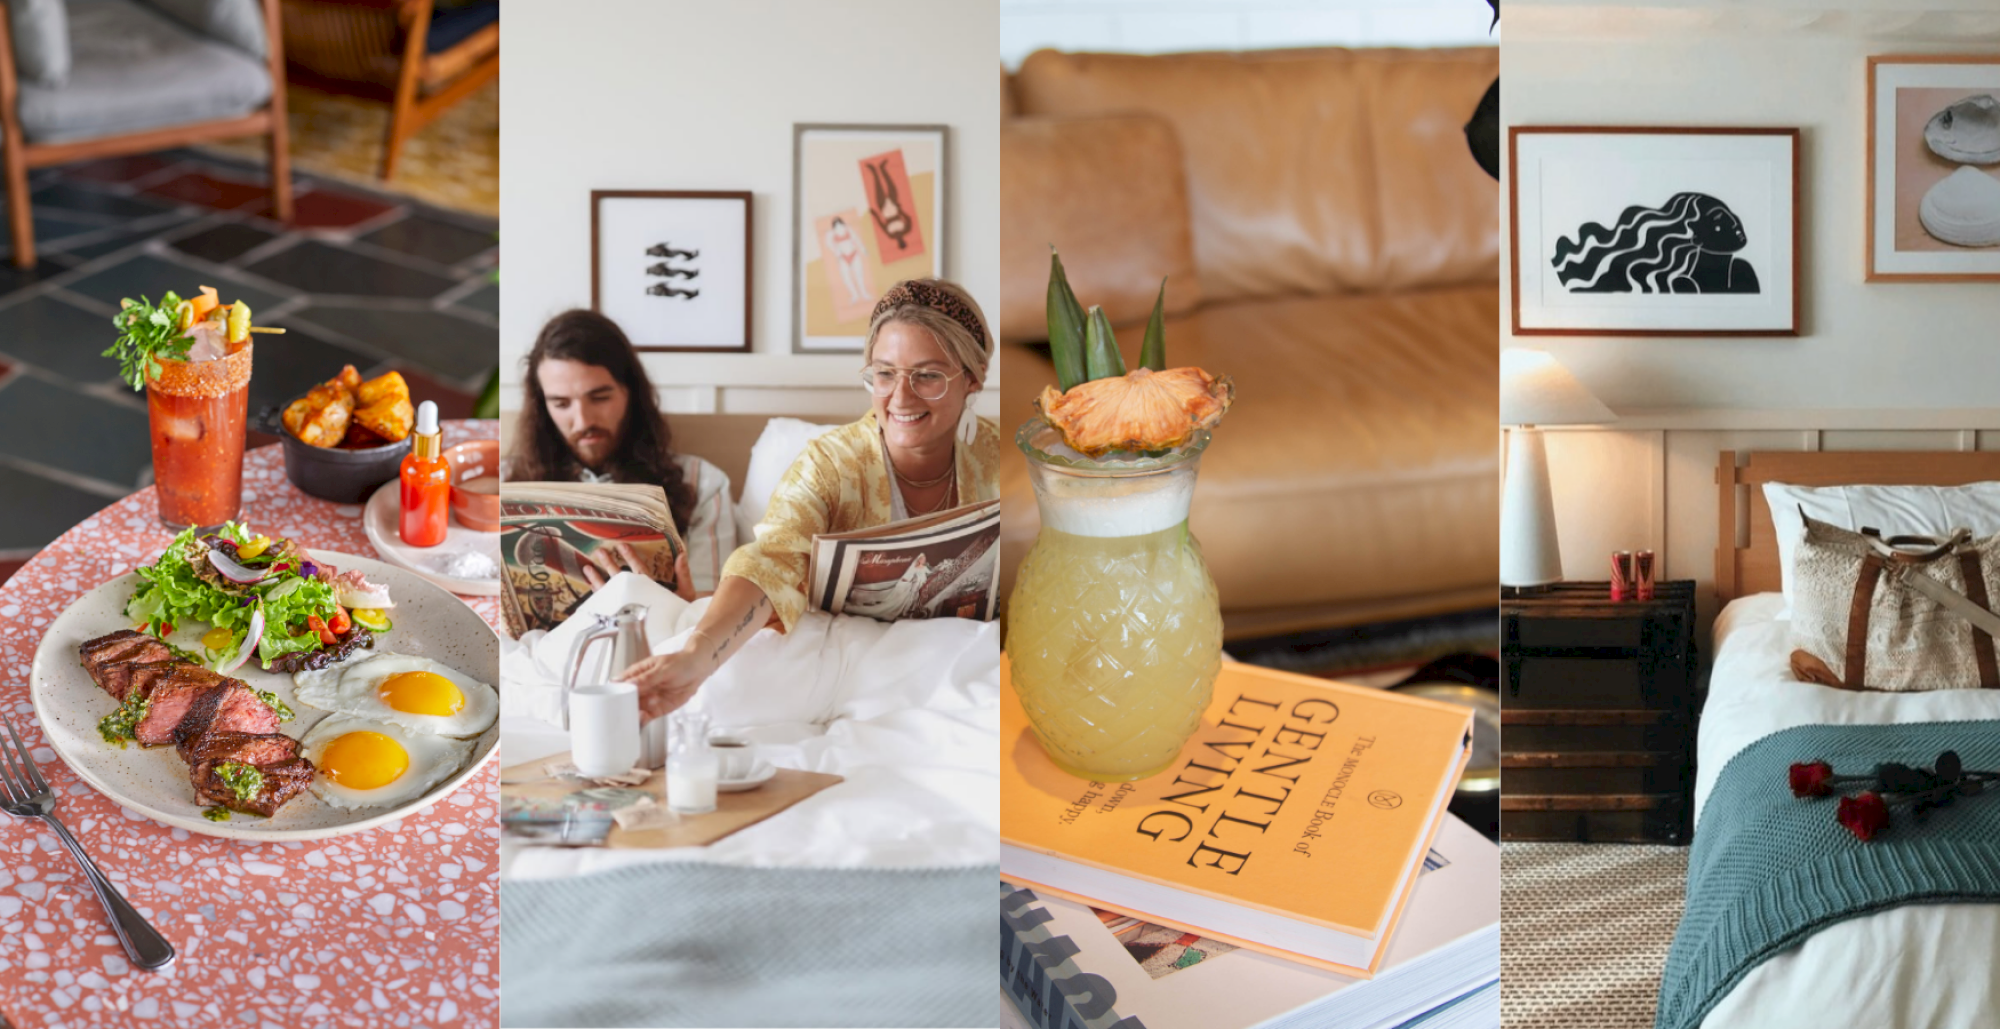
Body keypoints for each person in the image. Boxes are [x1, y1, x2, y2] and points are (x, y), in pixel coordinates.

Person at [617, 278, 998, 720]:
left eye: (928, 375)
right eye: (885, 373)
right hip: (849, 668)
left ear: (973, 379)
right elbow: (772, 560)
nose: (900, 396)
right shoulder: (829, 465)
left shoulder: (1000, 459)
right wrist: (697, 657)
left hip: (955, 667)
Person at [505, 309, 738, 596]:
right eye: (562, 404)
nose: (583, 421)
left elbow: (713, 608)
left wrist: (663, 600)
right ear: (543, 407)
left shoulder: (702, 483)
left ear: (631, 392)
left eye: (600, 398)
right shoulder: (507, 480)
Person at [1552, 191, 1760, 294]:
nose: (1734, 221)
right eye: (1719, 218)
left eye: (1730, 213)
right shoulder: (1678, 284)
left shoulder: (1742, 271)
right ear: (1693, 236)